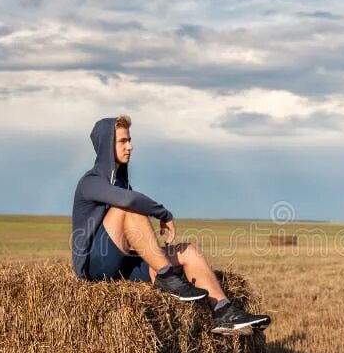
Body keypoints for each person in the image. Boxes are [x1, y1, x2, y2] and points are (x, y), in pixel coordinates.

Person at [71, 115, 271, 335]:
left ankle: (224, 312)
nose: (130, 146)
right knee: (128, 208)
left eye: (129, 140)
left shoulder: (122, 184)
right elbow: (129, 201)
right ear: (106, 145)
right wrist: (162, 213)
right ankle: (167, 277)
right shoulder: (90, 182)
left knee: (189, 252)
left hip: (124, 266)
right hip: (97, 266)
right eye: (122, 141)